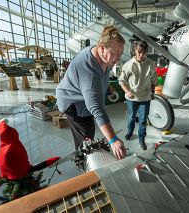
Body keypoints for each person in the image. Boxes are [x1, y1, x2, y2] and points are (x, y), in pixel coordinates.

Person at [56, 25, 126, 160]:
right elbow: (96, 108)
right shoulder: (90, 72)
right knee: (86, 141)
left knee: (90, 133)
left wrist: (105, 87)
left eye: (120, 54)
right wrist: (113, 140)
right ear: (102, 48)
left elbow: (102, 75)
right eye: (115, 53)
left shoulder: (101, 54)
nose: (118, 58)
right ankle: (84, 164)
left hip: (81, 96)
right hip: (74, 103)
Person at [119, 40, 157, 150]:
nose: (141, 55)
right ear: (135, 51)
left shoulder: (151, 64)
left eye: (143, 52)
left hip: (145, 97)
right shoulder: (128, 65)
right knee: (131, 117)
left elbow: (154, 79)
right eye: (139, 52)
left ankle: (141, 139)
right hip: (132, 98)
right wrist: (127, 91)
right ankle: (130, 132)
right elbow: (121, 80)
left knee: (143, 120)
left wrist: (153, 92)